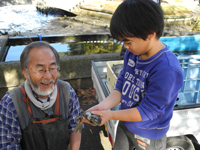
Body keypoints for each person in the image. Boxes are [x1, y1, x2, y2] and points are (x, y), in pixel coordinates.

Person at [83, 0, 184, 150]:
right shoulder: (132, 54)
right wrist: (102, 107)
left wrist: (110, 115)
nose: (125, 46)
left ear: (150, 34)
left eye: (128, 41)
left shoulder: (166, 69)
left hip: (148, 133)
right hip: (126, 123)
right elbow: (121, 87)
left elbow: (148, 111)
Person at [0, 41, 81, 150]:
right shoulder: (10, 103)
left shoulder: (67, 92)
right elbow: (9, 145)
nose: (48, 76)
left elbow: (76, 127)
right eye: (40, 70)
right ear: (25, 72)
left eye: (52, 68)